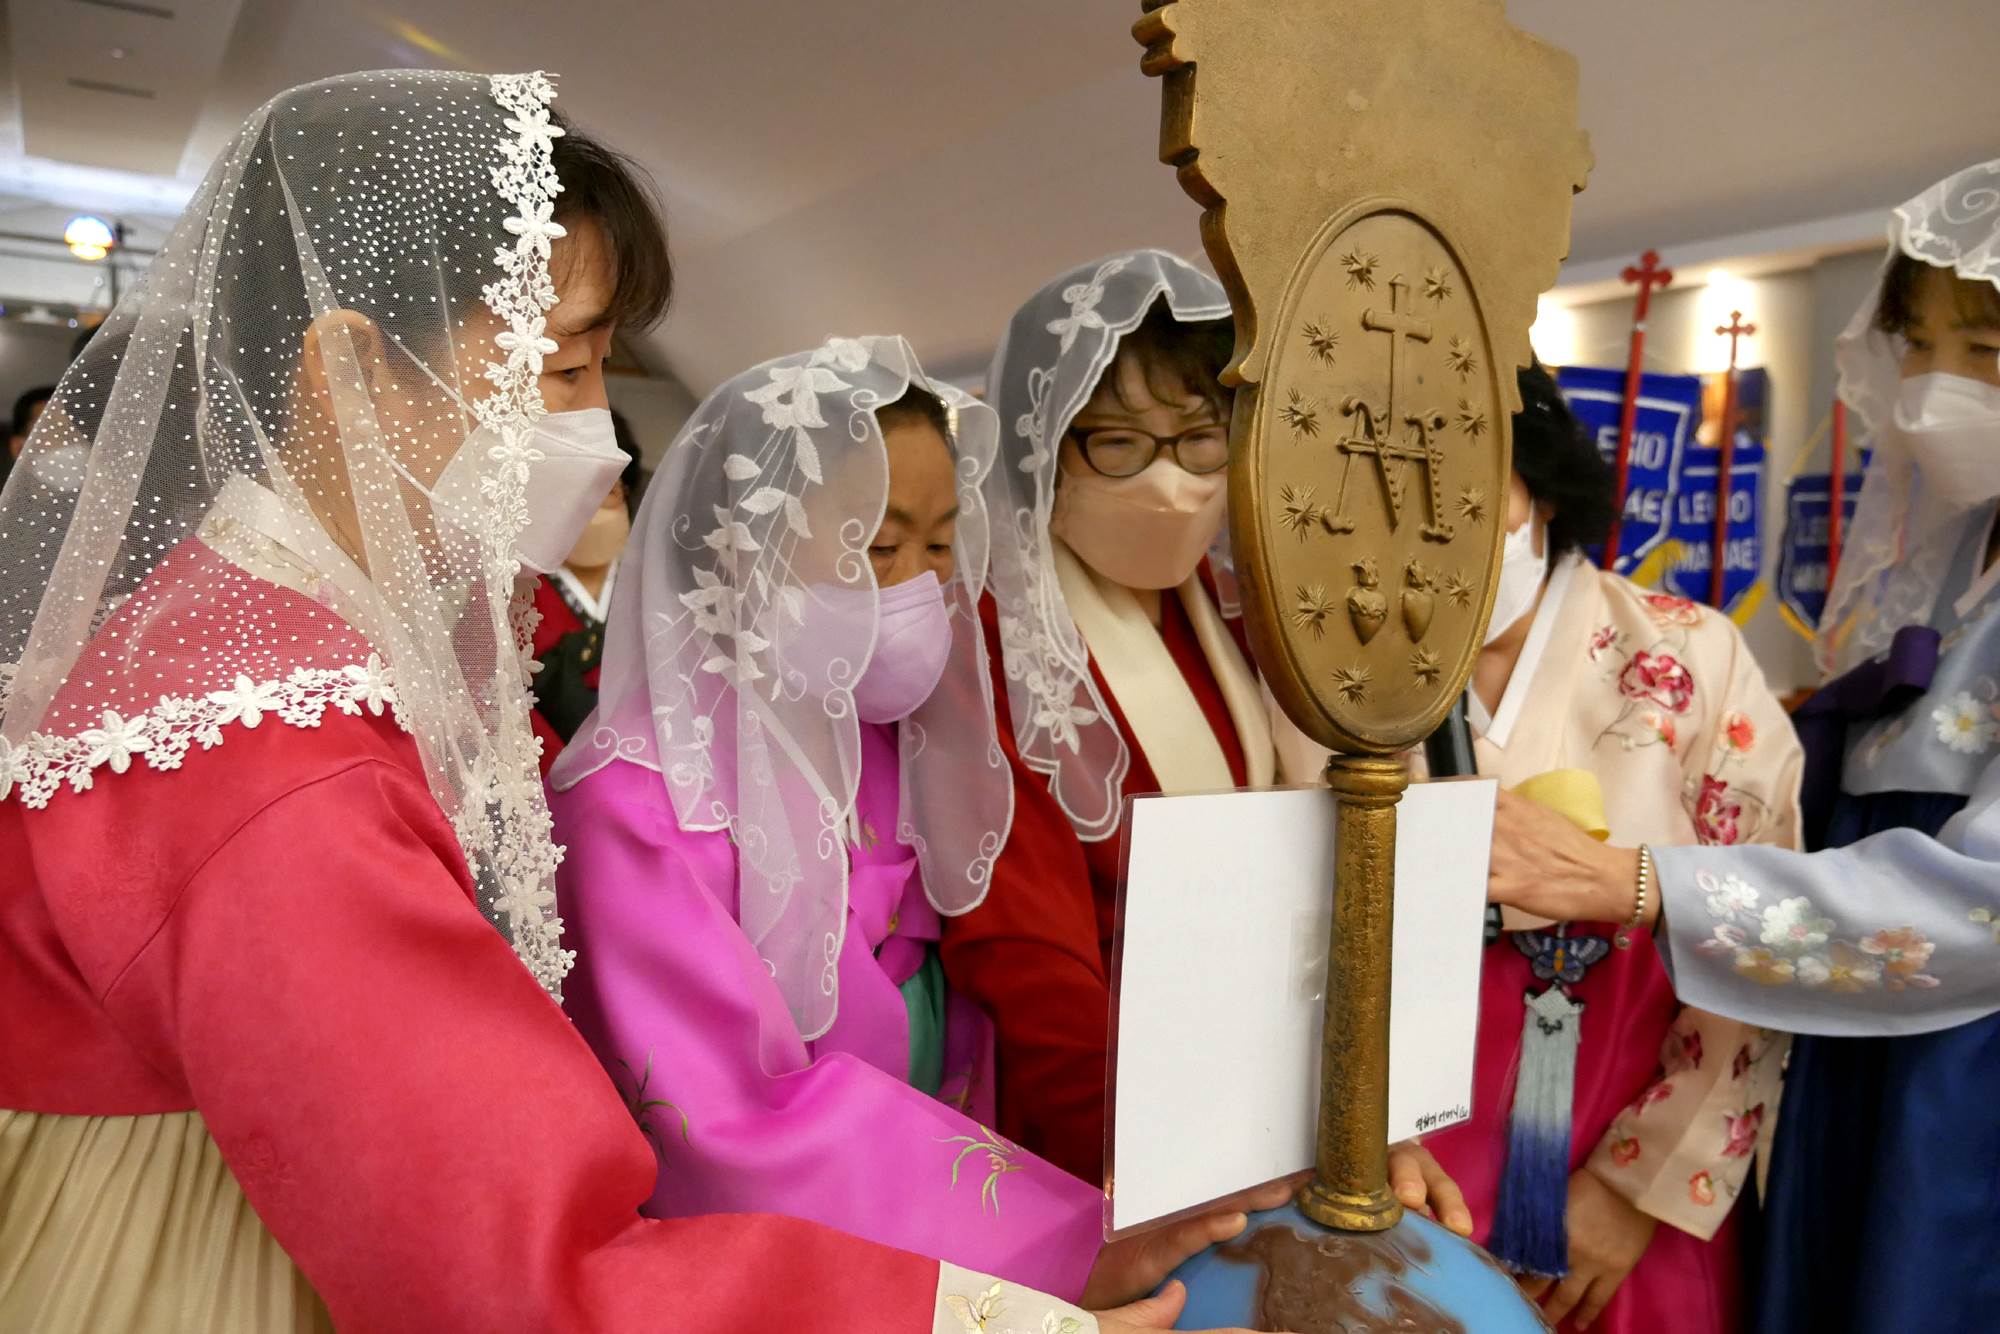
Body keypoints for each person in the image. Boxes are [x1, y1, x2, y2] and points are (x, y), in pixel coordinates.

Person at [0, 71, 1198, 1334]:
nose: (602, 436)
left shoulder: (305, 648)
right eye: (563, 366)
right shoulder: (276, 752)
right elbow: (514, 1267)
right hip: (211, 1264)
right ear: (348, 367)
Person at [548, 334, 1304, 1310]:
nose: (914, 585)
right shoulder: (634, 803)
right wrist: (1051, 1240)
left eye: (940, 546)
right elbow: (727, 1121)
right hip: (806, 1280)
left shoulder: (898, 738)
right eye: (875, 547)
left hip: (972, 1220)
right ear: (746, 545)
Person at [1486, 159, 2000, 1334]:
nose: (1936, 386)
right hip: (1861, 1043)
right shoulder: (1947, 558)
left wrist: (1639, 883)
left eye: (1980, 347)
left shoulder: (1685, 649)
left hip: (1956, 1053)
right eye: (1919, 345)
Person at [939, 249, 1466, 1230]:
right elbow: (1024, 957)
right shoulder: (995, 644)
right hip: (1111, 1131)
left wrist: (1359, 1113)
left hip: (1265, 1103)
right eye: (1117, 443)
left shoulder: (1228, 610)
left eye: (1197, 439)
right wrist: (1178, 1157)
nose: (1170, 482)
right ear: (1040, 445)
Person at [1413, 366, 1801, 1334]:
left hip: (1621, 1144)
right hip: (1402, 1161)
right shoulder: (1320, 671)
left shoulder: (1689, 653)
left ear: (1540, 486)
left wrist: (1639, 1183)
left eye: (1467, 488)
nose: (1430, 528)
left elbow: (1762, 922)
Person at [528, 406, 643, 772]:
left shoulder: (651, 582)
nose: (590, 506)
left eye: (607, 489)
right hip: (545, 769)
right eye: (575, 489)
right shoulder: (516, 588)